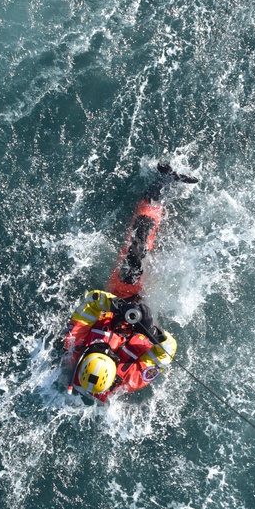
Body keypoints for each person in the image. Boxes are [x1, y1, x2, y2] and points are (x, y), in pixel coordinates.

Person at [66, 164, 197, 402]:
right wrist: (152, 330)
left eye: (98, 350)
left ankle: (159, 184)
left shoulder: (73, 345)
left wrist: (118, 307)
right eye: (109, 354)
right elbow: (166, 354)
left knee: (135, 256)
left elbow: (90, 302)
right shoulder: (131, 379)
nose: (105, 348)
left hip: (121, 296)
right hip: (145, 320)